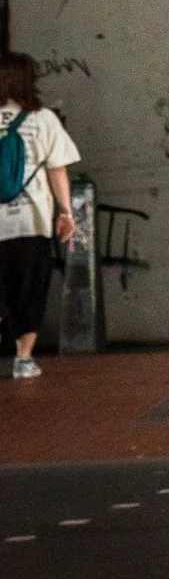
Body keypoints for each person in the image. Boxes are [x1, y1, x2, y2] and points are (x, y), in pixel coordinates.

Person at [0, 52, 80, 379]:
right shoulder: (42, 119)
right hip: (31, 222)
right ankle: (23, 358)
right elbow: (56, 170)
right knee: (31, 290)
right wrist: (66, 212)